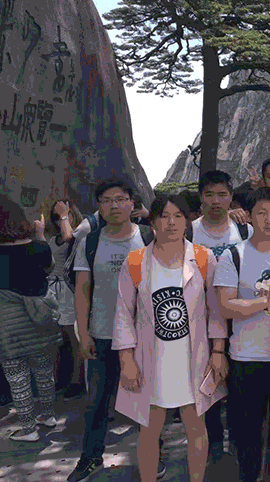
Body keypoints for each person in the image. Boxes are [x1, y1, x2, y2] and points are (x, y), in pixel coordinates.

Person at [112, 195, 227, 482]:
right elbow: (124, 313)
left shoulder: (203, 258)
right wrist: (127, 360)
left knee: (196, 427)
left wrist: (218, 350)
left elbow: (215, 310)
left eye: (178, 215)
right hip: (152, 359)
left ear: (187, 221)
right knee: (149, 430)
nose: (171, 222)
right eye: (164, 216)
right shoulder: (136, 261)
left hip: (193, 358)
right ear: (153, 222)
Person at [214, 187, 270, 482]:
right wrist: (265, 301)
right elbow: (226, 306)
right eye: (261, 213)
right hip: (246, 357)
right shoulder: (234, 256)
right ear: (250, 216)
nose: (269, 219)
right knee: (247, 434)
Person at [68, 178, 154, 482]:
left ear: (132, 203)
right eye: (106, 200)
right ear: (99, 207)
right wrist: (83, 333)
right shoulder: (90, 242)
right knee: (96, 403)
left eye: (120, 199)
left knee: (147, 403)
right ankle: (90, 458)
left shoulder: (148, 237)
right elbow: (83, 290)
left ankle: (152, 457)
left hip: (143, 336)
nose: (114, 206)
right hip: (102, 333)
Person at [191, 170, 250, 460]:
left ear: (231, 197)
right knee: (207, 385)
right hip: (199, 320)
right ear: (200, 197)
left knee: (237, 384)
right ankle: (213, 446)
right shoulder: (189, 231)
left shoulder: (244, 229)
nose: (216, 200)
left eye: (222, 194)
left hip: (238, 318)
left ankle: (239, 444)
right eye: (210, 194)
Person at [0, 195, 62, 442]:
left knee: (18, 378)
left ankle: (29, 430)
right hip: (40, 320)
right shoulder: (39, 247)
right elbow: (49, 268)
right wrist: (40, 235)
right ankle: (49, 416)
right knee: (44, 371)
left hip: (9, 326)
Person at [47, 200, 85, 400]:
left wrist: (64, 217)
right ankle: (56, 380)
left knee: (73, 336)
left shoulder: (79, 234)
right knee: (56, 338)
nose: (60, 219)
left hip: (69, 289)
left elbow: (70, 238)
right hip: (53, 289)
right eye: (56, 216)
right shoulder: (52, 240)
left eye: (64, 214)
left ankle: (77, 381)